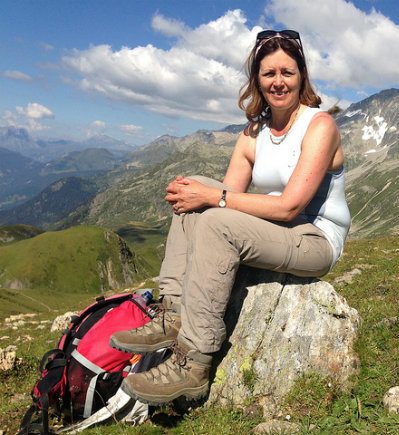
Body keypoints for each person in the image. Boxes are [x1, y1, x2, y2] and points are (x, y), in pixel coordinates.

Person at [110, 29, 351, 405]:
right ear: (257, 79)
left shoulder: (320, 126)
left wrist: (212, 198)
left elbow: (289, 206)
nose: (278, 82)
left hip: (314, 239)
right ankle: (173, 312)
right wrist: (198, 194)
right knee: (198, 195)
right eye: (268, 73)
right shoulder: (254, 131)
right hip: (278, 231)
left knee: (213, 209)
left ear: (302, 75)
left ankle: (194, 363)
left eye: (287, 72)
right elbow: (222, 195)